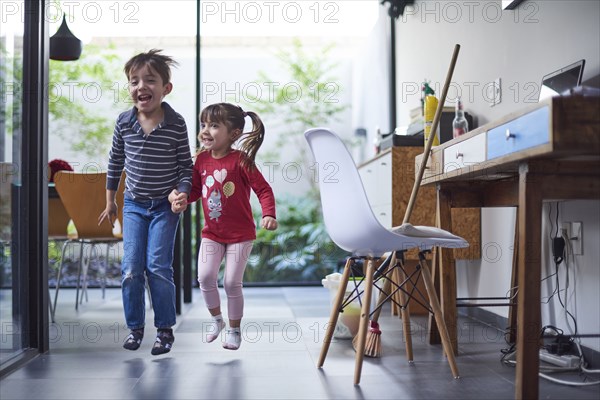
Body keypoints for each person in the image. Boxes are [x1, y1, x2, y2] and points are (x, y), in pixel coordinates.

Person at [98, 49, 193, 355]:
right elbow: (115, 162)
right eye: (134, 81)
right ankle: (135, 328)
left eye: (149, 80)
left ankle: (164, 330)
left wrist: (181, 192)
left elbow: (185, 167)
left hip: (165, 208)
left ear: (166, 88)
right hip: (134, 206)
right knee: (130, 268)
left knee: (157, 267)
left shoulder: (176, 123)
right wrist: (110, 201)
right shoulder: (124, 122)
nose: (141, 86)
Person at [169, 103, 277, 350]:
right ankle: (217, 320)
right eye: (204, 124)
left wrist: (268, 214)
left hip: (240, 235)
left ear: (234, 133)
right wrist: (182, 199)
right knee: (205, 277)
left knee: (231, 283)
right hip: (213, 234)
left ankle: (235, 329)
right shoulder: (201, 160)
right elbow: (196, 190)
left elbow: (263, 189)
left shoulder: (241, 160)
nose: (206, 130)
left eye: (215, 125)